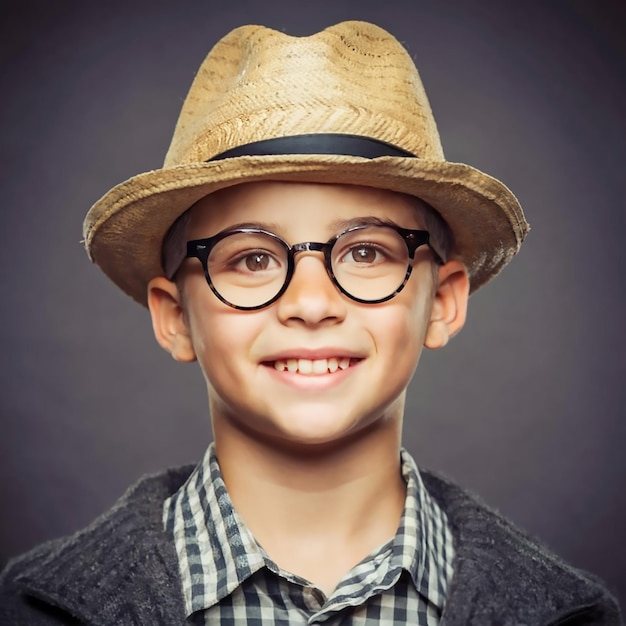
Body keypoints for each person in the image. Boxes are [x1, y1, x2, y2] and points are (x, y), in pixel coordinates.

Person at [0, 20, 621, 626]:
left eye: (367, 252)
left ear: (443, 301)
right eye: (252, 258)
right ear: (175, 317)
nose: (311, 302)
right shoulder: (34, 609)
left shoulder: (567, 614)